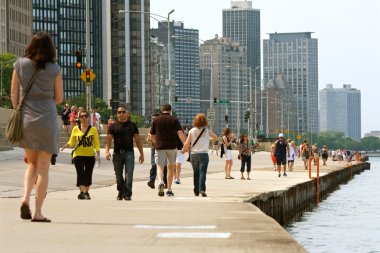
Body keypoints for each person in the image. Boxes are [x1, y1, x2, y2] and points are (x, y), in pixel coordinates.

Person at [11, 31, 64, 222]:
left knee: (31, 164)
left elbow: (14, 96)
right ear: (50, 48)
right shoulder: (54, 68)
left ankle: (24, 198)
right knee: (43, 168)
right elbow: (59, 98)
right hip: (47, 119)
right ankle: (38, 211)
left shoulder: (20, 64)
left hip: (26, 118)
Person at [105, 105, 144, 201]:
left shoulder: (132, 125)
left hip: (129, 153)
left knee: (129, 174)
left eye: (123, 112)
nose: (121, 114)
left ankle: (128, 194)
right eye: (119, 112)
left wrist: (141, 153)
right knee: (118, 175)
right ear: (117, 114)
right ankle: (120, 191)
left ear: (127, 113)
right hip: (117, 153)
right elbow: (109, 141)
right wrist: (107, 151)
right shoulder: (112, 126)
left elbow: (138, 140)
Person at [60, 110, 100, 200]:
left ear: (88, 117)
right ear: (79, 118)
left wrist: (98, 155)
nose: (84, 118)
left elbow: (96, 143)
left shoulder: (93, 129)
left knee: (88, 173)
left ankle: (87, 192)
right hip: (78, 154)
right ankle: (82, 192)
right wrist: (65, 146)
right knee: (80, 173)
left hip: (90, 154)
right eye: (82, 116)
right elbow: (71, 141)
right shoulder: (75, 128)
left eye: (86, 116)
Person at [150, 104, 186, 197]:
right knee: (170, 167)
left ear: (162, 110)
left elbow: (152, 135)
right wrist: (185, 145)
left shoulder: (156, 120)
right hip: (172, 147)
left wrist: (156, 142)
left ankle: (161, 181)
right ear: (170, 110)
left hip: (160, 147)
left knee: (160, 166)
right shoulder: (174, 119)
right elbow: (180, 133)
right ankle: (169, 190)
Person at [182, 113, 218, 197]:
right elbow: (216, 138)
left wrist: (183, 150)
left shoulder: (191, 131)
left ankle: (196, 191)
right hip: (204, 155)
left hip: (194, 155)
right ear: (205, 121)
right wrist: (208, 139)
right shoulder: (206, 131)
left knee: (196, 173)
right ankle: (202, 189)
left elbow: (187, 142)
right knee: (202, 173)